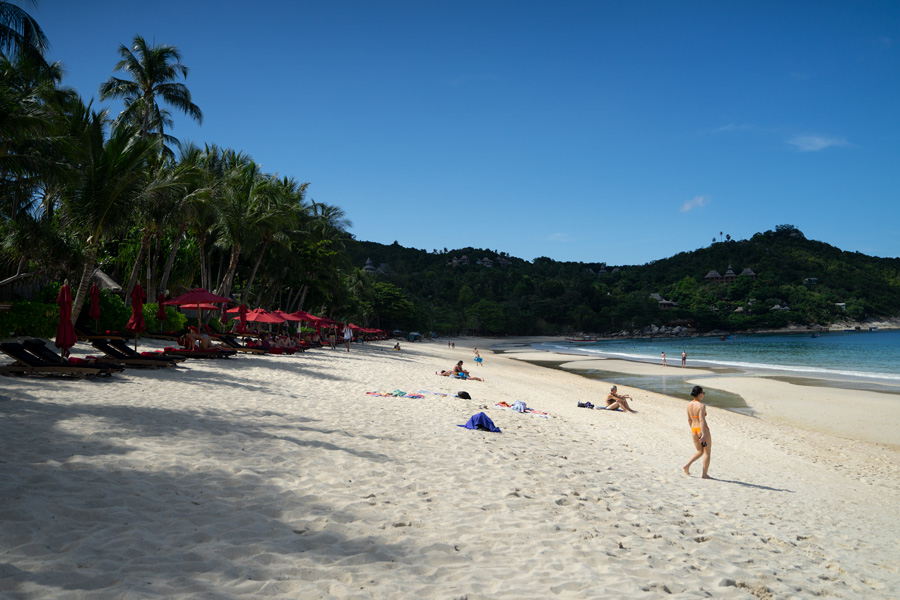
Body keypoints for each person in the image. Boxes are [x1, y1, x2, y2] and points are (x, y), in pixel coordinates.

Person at [683, 385, 712, 479]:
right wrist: (703, 434)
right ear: (699, 394)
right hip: (701, 430)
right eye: (703, 393)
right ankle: (704, 474)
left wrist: (693, 430)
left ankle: (687, 465)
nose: (703, 395)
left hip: (693, 430)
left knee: (699, 451)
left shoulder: (688, 404)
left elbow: (689, 420)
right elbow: (702, 420)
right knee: (707, 452)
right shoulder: (701, 406)